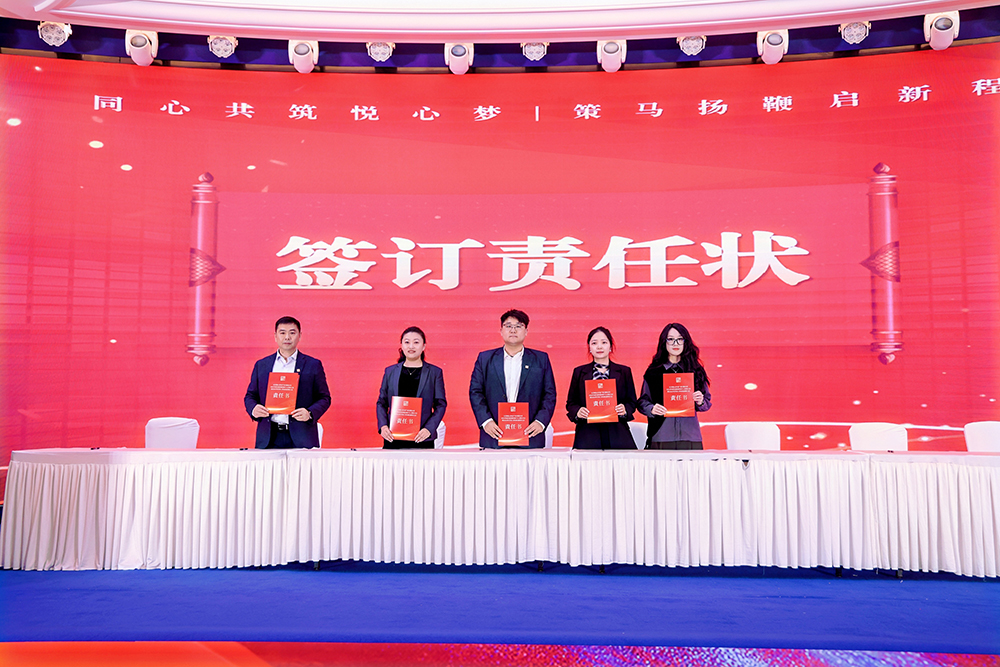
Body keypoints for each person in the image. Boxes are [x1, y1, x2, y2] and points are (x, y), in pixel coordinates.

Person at [469, 309, 557, 449]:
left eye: (518, 326)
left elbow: (549, 394)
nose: (513, 330)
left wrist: (540, 422)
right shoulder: (485, 359)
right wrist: (486, 421)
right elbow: (475, 392)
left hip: (530, 435)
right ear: (501, 330)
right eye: (508, 326)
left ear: (526, 331)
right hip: (494, 435)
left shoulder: (541, 359)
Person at [244, 316, 331, 449]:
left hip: (302, 436)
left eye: (292, 333)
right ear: (275, 336)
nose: (287, 337)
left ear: (300, 336)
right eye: (282, 333)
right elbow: (250, 396)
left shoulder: (313, 365)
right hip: (269, 436)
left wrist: (310, 413)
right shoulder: (262, 365)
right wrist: (253, 409)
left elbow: (324, 398)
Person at [638, 322, 712, 450]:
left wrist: (700, 401)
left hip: (690, 435)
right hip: (661, 434)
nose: (675, 344)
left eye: (679, 339)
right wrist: (652, 409)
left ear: (685, 342)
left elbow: (706, 402)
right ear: (664, 343)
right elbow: (642, 402)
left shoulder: (695, 369)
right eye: (671, 339)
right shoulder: (654, 371)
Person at [565, 327, 638, 449]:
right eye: (594, 343)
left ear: (610, 346)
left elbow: (632, 402)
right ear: (589, 347)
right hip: (588, 434)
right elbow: (571, 403)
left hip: (617, 433)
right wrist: (578, 411)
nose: (599, 347)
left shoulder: (624, 371)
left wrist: (624, 409)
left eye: (604, 342)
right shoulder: (579, 372)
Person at [376, 326, 447, 449]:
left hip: (422, 438)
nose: (411, 346)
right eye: (407, 342)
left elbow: (440, 404)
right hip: (393, 437)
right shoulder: (390, 372)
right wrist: (383, 426)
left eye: (416, 342)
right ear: (402, 345)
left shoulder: (434, 373)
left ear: (423, 346)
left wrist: (428, 429)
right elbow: (381, 403)